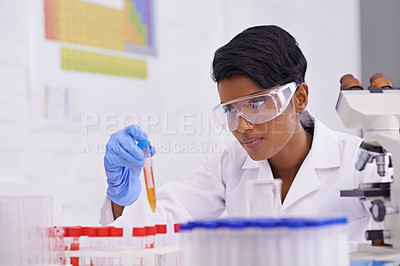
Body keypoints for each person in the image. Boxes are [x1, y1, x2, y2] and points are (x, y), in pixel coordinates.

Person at [100, 25, 381, 250]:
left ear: (300, 98)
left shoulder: (362, 164)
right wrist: (124, 197)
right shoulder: (228, 167)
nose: (242, 125)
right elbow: (159, 230)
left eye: (257, 104)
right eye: (231, 110)